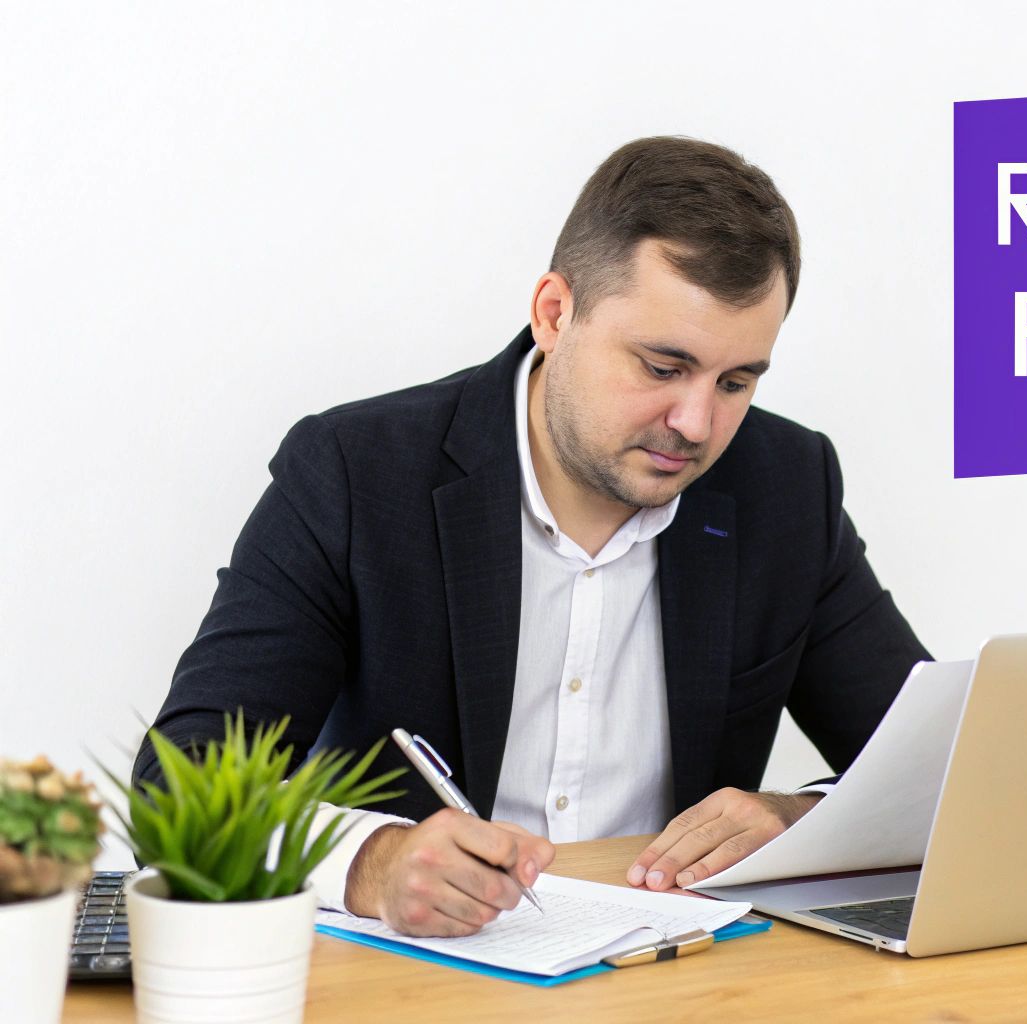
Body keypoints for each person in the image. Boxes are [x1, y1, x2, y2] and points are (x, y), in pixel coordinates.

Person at [132, 136, 930, 937]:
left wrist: (800, 820)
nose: (696, 423)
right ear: (555, 314)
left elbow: (941, 769)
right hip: (417, 976)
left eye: (736, 382)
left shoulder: (786, 484)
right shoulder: (355, 473)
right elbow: (178, 786)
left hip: (672, 977)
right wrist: (373, 862)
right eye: (661, 367)